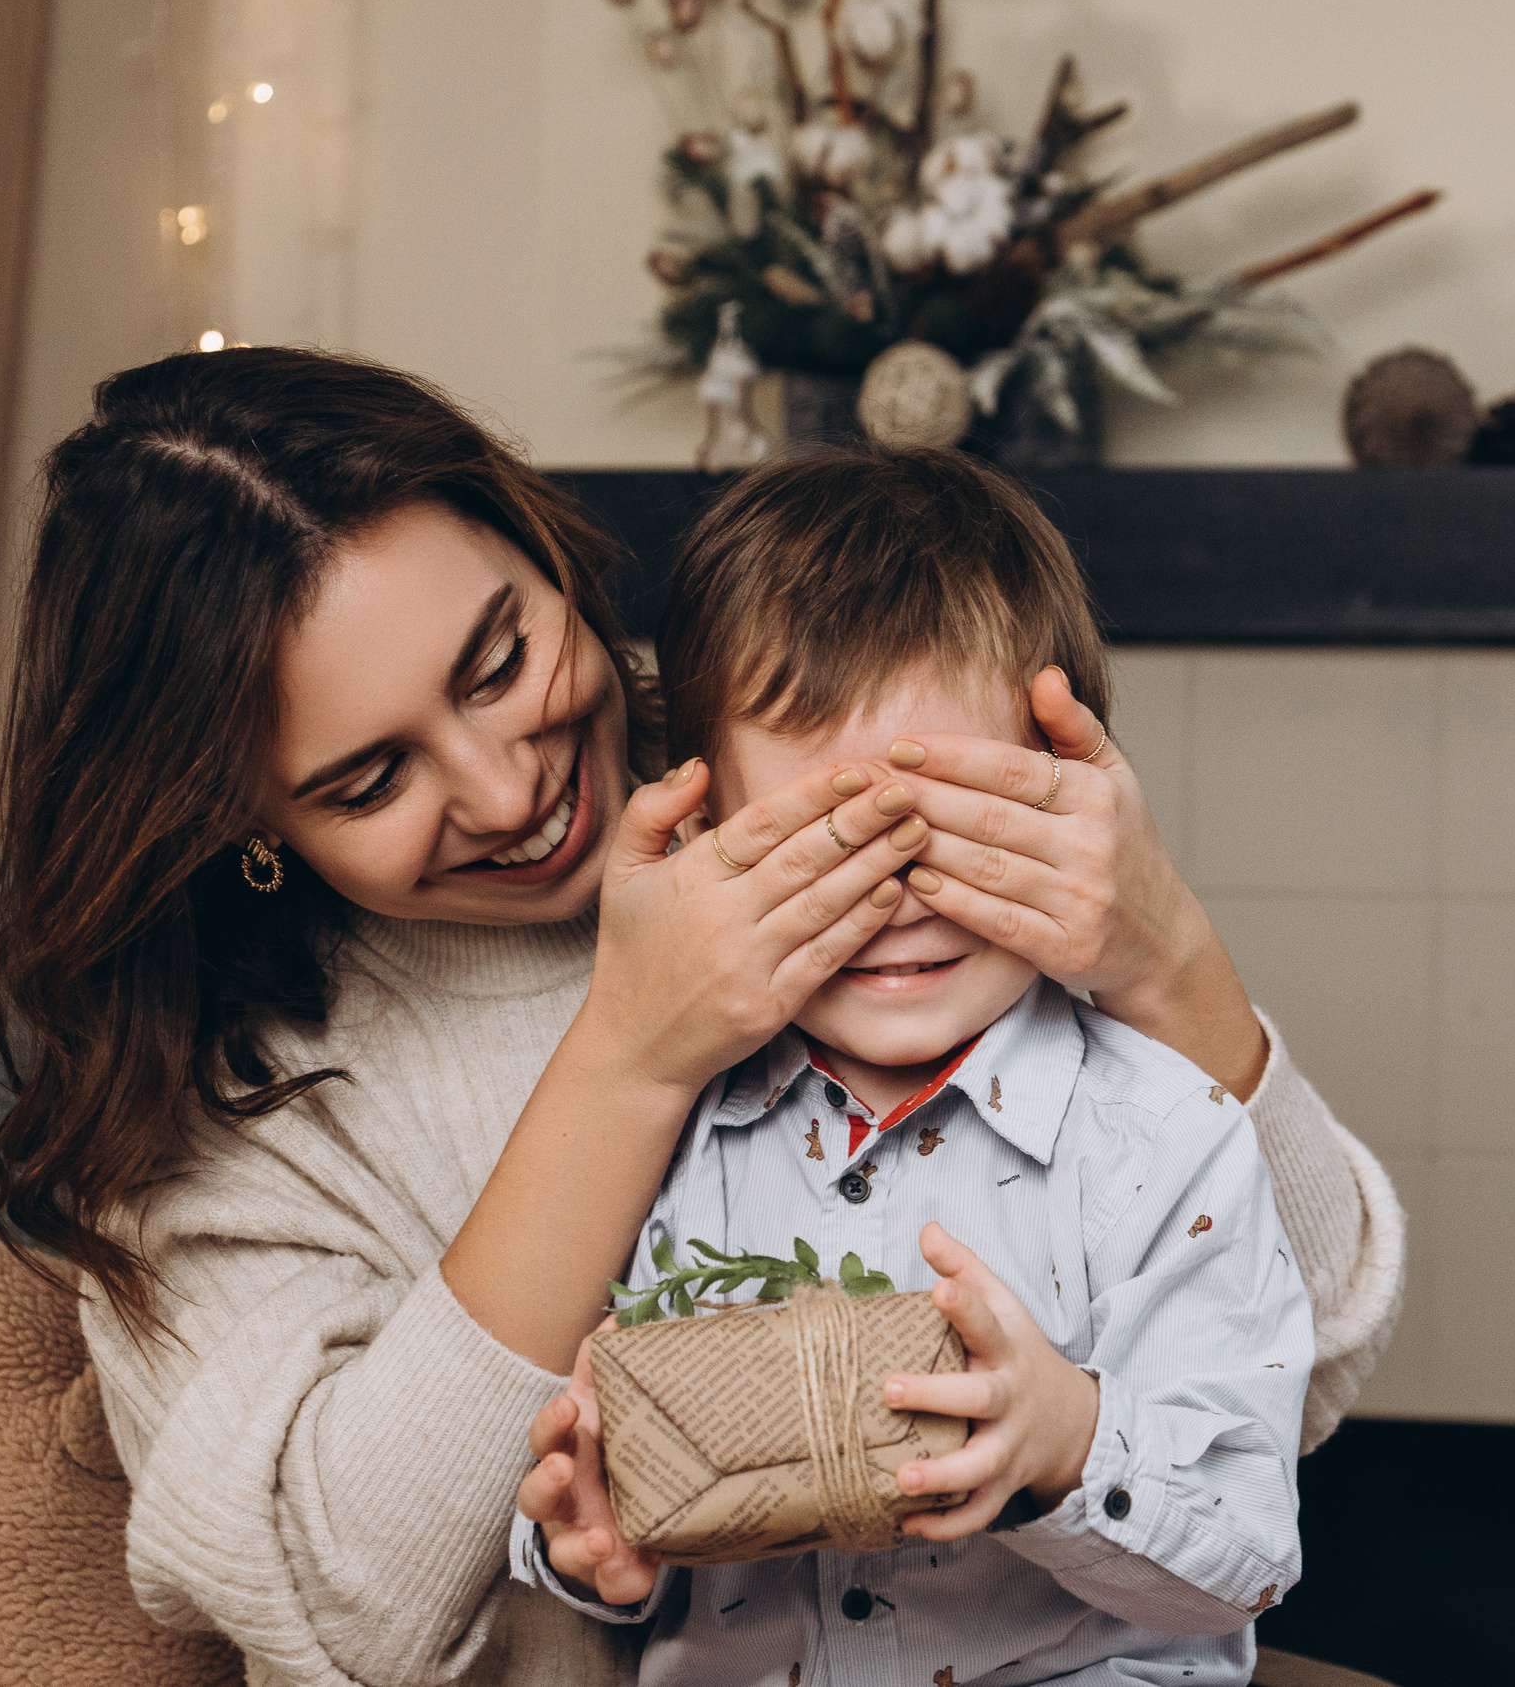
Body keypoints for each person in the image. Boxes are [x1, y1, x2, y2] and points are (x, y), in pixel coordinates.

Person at [0, 346, 1402, 1687]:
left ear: (539, 544)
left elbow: (1308, 1368)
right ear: (240, 817)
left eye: (502, 659)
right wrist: (630, 1057)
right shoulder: (229, 1101)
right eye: (366, 780)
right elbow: (358, 1613)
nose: (508, 791)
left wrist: (1170, 962)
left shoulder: (809, 757)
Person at [513, 447, 1312, 1687]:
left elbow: (1248, 1551)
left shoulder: (1165, 1138)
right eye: (822, 847)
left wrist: (1068, 1444)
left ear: (1066, 813)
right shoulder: (662, 1141)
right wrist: (586, 1552)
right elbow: (601, 1460)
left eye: (953, 833)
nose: (889, 904)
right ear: (708, 834)